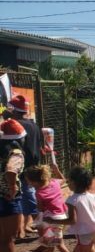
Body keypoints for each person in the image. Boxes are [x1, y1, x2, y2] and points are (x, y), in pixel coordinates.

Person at [7, 94, 42, 239]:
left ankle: (44, 231)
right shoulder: (34, 125)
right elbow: (40, 146)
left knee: (26, 198)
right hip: (33, 166)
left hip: (21, 168)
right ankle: (22, 229)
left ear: (14, 111)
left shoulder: (17, 126)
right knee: (24, 197)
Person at [24, 164, 73, 252]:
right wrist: (57, 170)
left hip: (51, 219)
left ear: (34, 181)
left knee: (59, 244)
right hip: (62, 216)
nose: (27, 182)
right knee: (51, 242)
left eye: (28, 180)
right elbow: (63, 179)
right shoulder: (55, 182)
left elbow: (40, 208)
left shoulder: (39, 193)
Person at [0, 119, 26, 252]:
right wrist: (12, 186)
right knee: (8, 238)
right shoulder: (15, 152)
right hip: (7, 198)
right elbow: (11, 170)